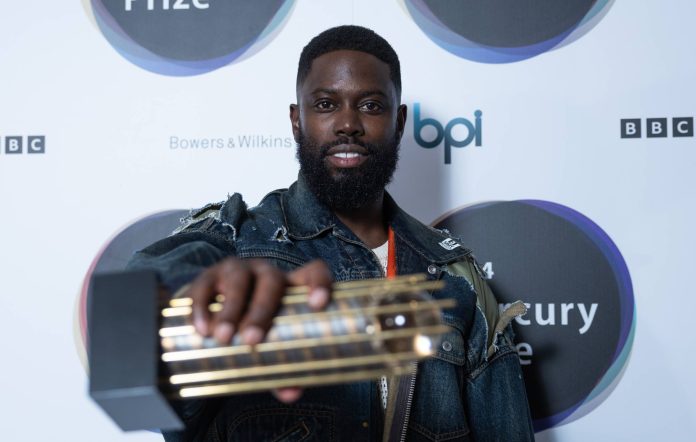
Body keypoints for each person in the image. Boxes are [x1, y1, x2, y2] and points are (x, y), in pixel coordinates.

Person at [128, 25, 534, 442]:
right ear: (296, 120)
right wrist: (194, 288)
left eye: (371, 106)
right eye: (325, 104)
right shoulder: (238, 239)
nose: (347, 124)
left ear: (398, 122)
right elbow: (139, 295)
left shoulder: (455, 276)